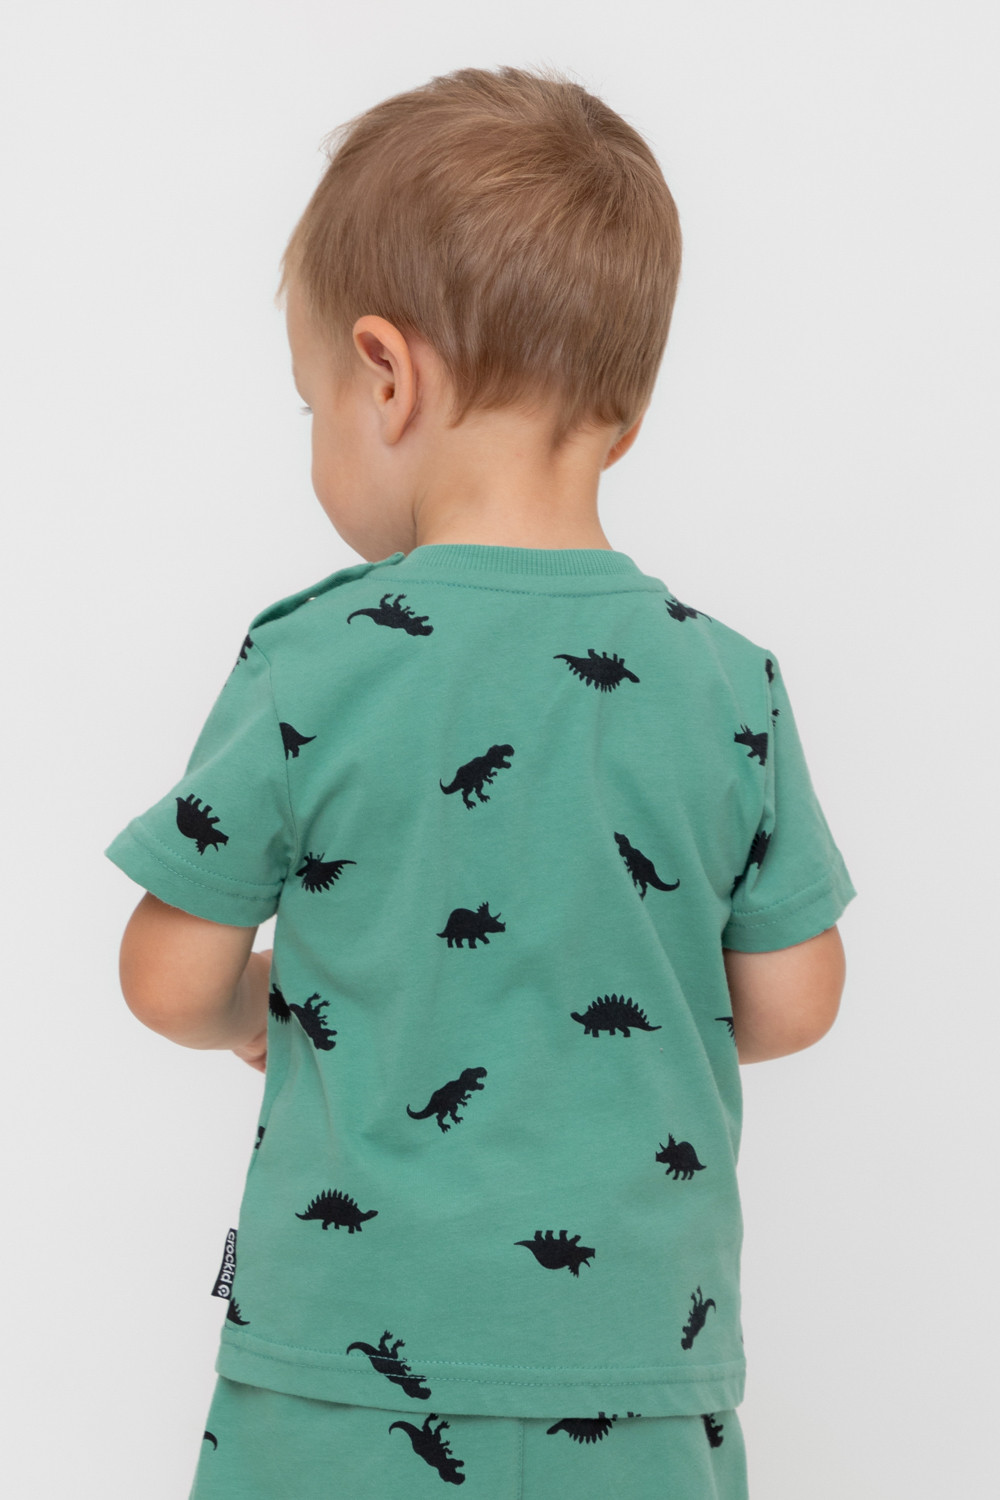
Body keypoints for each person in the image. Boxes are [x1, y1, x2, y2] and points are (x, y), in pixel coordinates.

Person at [104, 63, 856, 1500]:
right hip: (640, 1365)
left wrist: (264, 1005)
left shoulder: (312, 662)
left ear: (386, 377)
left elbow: (166, 976)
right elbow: (795, 1000)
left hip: (342, 1366)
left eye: (310, 401)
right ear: (627, 414)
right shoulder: (727, 686)